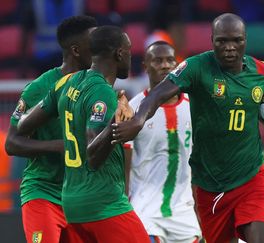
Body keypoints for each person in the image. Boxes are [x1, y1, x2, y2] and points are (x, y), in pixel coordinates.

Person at [111, 13, 264, 243]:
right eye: (222, 41)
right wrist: (138, 120)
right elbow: (157, 93)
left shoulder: (262, 72)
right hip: (210, 187)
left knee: (263, 237)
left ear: (245, 40)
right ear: (212, 40)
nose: (229, 47)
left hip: (251, 178)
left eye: (236, 40)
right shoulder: (196, 67)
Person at [17, 26, 149, 243]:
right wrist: (115, 125)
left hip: (71, 203)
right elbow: (93, 155)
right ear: (119, 53)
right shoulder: (103, 93)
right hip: (102, 202)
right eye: (129, 50)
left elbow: (22, 125)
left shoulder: (67, 82)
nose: (130, 55)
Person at [5, 15, 97, 243]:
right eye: (93, 43)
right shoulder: (41, 88)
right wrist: (62, 146)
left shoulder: (96, 86)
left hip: (79, 195)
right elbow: (12, 143)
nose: (100, 48)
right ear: (76, 50)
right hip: (44, 192)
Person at [124, 41, 201, 243]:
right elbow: (124, 166)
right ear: (145, 66)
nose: (165, 65)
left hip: (184, 216)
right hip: (145, 211)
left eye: (169, 60)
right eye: (158, 60)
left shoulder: (194, 108)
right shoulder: (133, 108)